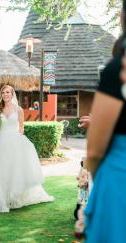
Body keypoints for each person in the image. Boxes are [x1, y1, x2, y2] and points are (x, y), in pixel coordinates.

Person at [84, 1, 126, 241]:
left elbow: (95, 150)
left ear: (122, 18)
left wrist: (101, 179)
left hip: (120, 178)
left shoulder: (116, 71)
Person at [0, 85, 54, 213]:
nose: (5, 94)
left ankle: (13, 197)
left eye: (8, 92)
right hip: (1, 142)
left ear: (12, 94)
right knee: (1, 170)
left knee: (14, 169)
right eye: (3, 92)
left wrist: (18, 142)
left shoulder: (19, 110)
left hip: (14, 141)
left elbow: (21, 129)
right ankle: (1, 198)